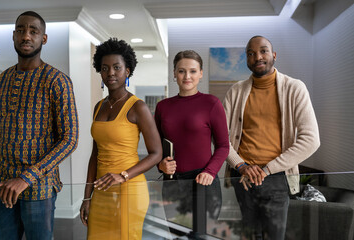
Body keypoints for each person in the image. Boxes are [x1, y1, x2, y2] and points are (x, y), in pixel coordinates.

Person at [0, 11, 79, 240]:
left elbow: (70, 139)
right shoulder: (1, 81)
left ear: (43, 38)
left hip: (39, 189)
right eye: (21, 30)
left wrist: (26, 178)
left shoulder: (57, 80)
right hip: (1, 187)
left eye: (33, 31)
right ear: (14, 36)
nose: (26, 36)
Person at [223, 35, 320, 239]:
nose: (257, 56)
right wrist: (240, 165)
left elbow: (311, 139)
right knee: (249, 236)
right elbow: (221, 138)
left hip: (277, 177)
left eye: (263, 51)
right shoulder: (235, 91)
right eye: (251, 53)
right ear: (247, 60)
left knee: (274, 236)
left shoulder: (295, 88)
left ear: (274, 55)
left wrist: (268, 169)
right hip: (243, 176)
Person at [79, 38, 162, 240]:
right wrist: (86, 196)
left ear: (128, 71)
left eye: (117, 67)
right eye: (105, 68)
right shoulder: (99, 106)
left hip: (129, 188)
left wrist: (123, 175)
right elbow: (95, 155)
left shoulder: (138, 107)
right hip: (100, 191)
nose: (111, 73)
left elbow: (156, 154)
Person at [154, 50, 229, 225]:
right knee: (178, 235)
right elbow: (156, 147)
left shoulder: (211, 104)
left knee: (202, 236)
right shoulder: (162, 107)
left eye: (193, 71)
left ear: (201, 73)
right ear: (174, 73)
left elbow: (224, 146)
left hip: (203, 182)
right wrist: (160, 165)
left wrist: (210, 172)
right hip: (172, 183)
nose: (187, 76)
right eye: (181, 71)